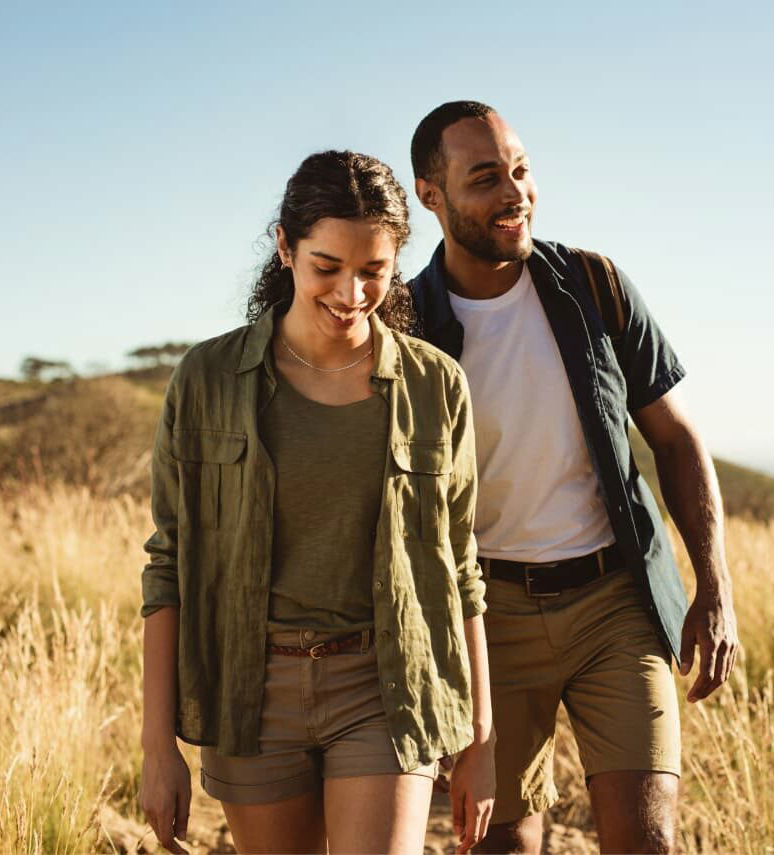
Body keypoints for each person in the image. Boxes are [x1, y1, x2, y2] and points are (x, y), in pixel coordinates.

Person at [138, 150, 494, 855]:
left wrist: (481, 739)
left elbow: (461, 568)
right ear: (284, 246)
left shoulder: (435, 386)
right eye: (326, 266)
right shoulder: (207, 378)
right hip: (250, 689)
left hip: (384, 684)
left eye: (373, 271)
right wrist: (157, 748)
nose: (351, 291)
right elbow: (167, 565)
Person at [407, 101, 740, 853]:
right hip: (486, 622)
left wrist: (713, 586)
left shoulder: (594, 285)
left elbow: (676, 438)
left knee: (646, 839)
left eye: (520, 170)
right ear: (431, 194)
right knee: (505, 845)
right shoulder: (407, 324)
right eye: (485, 177)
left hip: (612, 603)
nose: (513, 192)